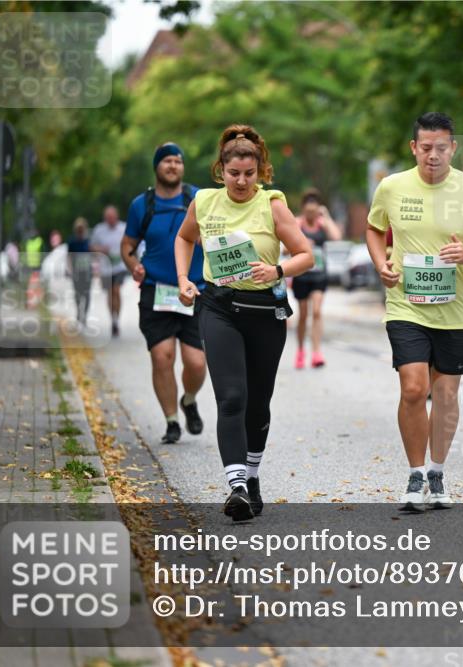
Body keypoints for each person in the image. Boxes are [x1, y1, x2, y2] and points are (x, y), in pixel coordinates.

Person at [365, 112, 463, 511]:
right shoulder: (391, 187)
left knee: (445, 393)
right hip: (406, 304)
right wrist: (381, 263)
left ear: (453, 149)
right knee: (413, 387)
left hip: (456, 310)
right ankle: (414, 473)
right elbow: (374, 230)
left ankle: (437, 470)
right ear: (414, 148)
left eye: (441, 147)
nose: (433, 155)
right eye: (425, 147)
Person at [175, 124, 313, 522]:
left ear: (260, 171)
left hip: (265, 314)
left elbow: (307, 255)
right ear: (221, 169)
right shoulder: (203, 202)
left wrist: (276, 270)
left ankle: (251, 475)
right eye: (234, 173)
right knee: (231, 397)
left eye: (249, 174)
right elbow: (185, 239)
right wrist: (185, 280)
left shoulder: (272, 205)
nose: (241, 181)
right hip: (219, 307)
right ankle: (235, 485)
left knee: (258, 402)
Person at [121, 143, 207, 445]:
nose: (173, 166)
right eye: (167, 161)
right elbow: (127, 246)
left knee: (197, 363)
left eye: (178, 161)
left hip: (194, 290)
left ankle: (189, 400)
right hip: (156, 291)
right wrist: (134, 266)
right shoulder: (141, 205)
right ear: (157, 167)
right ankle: (172, 421)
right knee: (162, 356)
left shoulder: (197, 198)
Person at [290, 189, 342, 369]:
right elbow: (284, 247)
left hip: (319, 275)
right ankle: (300, 350)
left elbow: (336, 237)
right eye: (308, 211)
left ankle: (317, 352)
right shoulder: (297, 223)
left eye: (315, 211)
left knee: (318, 311)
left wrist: (326, 216)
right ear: (303, 209)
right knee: (303, 314)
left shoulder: (322, 224)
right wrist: (302, 244)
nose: (311, 214)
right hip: (301, 275)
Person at [90, 205, 128, 337]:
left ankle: (117, 318)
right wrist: (100, 249)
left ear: (116, 217)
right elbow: (92, 246)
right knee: (110, 293)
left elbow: (131, 243)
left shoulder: (123, 228)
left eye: (112, 217)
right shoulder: (99, 230)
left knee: (116, 290)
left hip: (119, 266)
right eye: (108, 218)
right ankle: (112, 318)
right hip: (105, 267)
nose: (111, 220)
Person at [66, 218, 92, 325]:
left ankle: (85, 315)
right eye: (79, 229)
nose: (80, 231)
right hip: (77, 271)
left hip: (87, 271)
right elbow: (69, 257)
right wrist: (70, 269)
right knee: (77, 293)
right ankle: (78, 311)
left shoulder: (89, 241)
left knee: (86, 294)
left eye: (82, 229)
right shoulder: (72, 242)